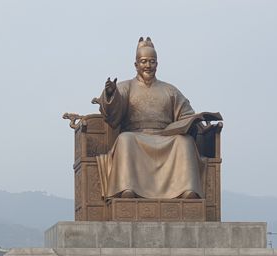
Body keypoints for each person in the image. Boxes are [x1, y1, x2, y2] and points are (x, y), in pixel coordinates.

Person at [94, 37, 219, 200]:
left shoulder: (170, 90)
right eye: (144, 61)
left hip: (165, 136)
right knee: (125, 139)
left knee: (185, 142)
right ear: (136, 64)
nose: (148, 66)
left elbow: (186, 115)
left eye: (152, 62)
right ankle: (127, 188)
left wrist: (198, 122)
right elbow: (111, 114)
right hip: (136, 136)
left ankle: (187, 190)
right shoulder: (125, 87)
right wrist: (110, 94)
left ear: (157, 64)